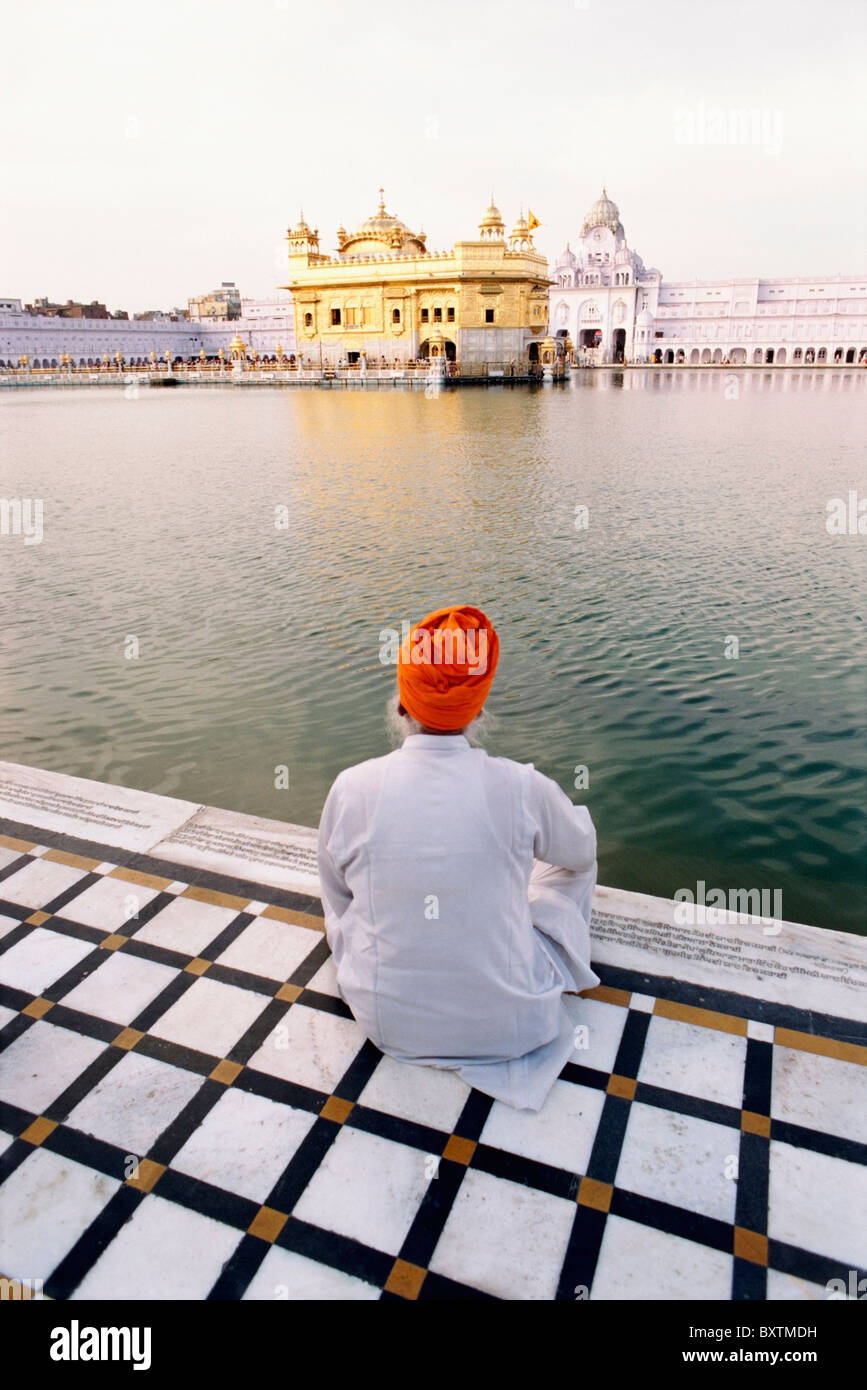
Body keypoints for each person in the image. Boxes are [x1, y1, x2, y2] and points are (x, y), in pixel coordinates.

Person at [316, 604, 600, 1111]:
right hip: (513, 1024)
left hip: (390, 1024)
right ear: (477, 711)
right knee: (568, 860)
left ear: (402, 705)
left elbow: (339, 900)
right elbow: (582, 852)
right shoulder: (522, 787)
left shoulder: (351, 787)